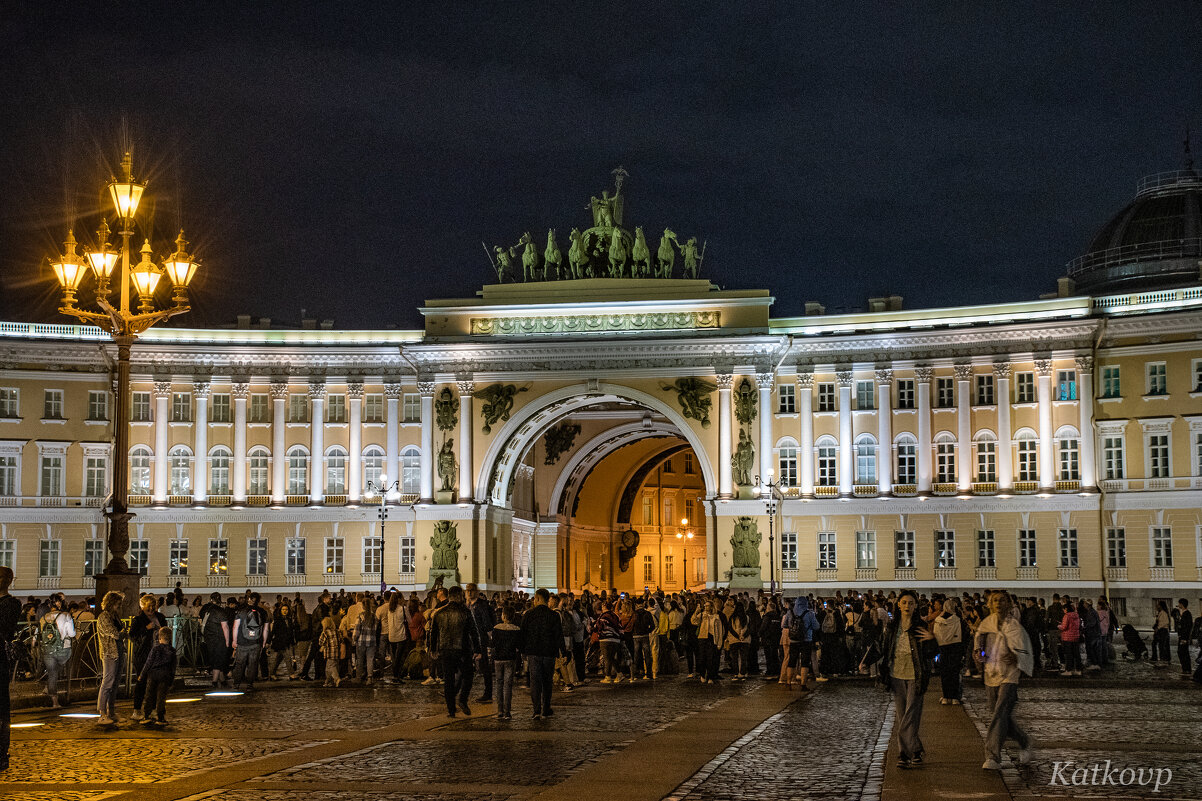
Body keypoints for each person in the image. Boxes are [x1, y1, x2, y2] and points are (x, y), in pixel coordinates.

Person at [865, 589, 936, 769]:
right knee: (902, 714)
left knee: (911, 713)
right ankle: (916, 750)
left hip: (916, 675)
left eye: (911, 603)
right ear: (898, 605)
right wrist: (865, 661)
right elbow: (881, 647)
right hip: (896, 674)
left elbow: (931, 654)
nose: (907, 606)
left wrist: (931, 639)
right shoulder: (892, 627)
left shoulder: (920, 626)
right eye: (904, 602)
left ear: (915, 606)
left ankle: (904, 753)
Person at [976, 591, 1034, 770]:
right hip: (991, 672)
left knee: (1000, 712)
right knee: (1000, 715)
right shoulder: (986, 624)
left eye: (1002, 600)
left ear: (1009, 604)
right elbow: (978, 644)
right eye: (994, 601)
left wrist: (1015, 656)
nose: (998, 603)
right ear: (989, 604)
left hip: (1009, 675)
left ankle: (992, 755)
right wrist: (979, 654)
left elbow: (1023, 648)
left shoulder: (1014, 626)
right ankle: (1024, 741)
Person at [428, 585, 480, 718]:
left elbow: (433, 633)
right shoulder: (465, 612)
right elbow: (474, 632)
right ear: (459, 596)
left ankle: (451, 710)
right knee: (468, 675)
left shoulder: (439, 613)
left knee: (449, 680)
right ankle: (462, 699)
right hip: (462, 649)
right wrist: (477, 649)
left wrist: (433, 648)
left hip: (445, 650)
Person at [521, 587, 565, 720]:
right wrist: (563, 651)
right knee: (547, 682)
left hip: (533, 652)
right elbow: (559, 635)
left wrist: (522, 651)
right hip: (549, 653)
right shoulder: (553, 615)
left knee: (535, 682)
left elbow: (523, 633)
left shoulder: (529, 614)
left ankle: (536, 710)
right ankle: (546, 708)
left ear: (539, 598)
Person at [130, 594, 167, 721]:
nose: (151, 609)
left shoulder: (160, 617)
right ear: (142, 607)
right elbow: (132, 637)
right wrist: (146, 629)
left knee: (156, 683)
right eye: (148, 606)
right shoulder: (138, 620)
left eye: (153, 606)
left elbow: (166, 632)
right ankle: (137, 710)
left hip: (158, 654)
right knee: (142, 682)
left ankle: (152, 710)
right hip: (143, 655)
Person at [0, 566, 20, 770]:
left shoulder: (11, 604)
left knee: (2, 711)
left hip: (0, 661)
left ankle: (1, 753)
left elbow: (4, 629)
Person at [39, 596, 76, 708]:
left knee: (52, 673)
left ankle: (54, 700)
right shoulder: (66, 615)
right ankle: (54, 691)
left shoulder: (43, 618)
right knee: (57, 669)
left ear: (49, 605)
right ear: (60, 604)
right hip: (63, 648)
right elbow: (72, 634)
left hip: (48, 649)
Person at [94, 590, 124, 726]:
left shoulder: (114, 616)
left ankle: (111, 711)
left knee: (115, 682)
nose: (119, 606)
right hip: (109, 652)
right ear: (111, 603)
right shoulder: (103, 617)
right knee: (108, 682)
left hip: (118, 650)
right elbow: (113, 633)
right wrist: (121, 633)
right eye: (118, 604)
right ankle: (102, 713)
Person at [138, 627, 178, 726]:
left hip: (153, 674)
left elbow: (148, 663)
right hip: (165, 675)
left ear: (159, 638)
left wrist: (142, 675)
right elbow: (173, 667)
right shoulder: (172, 651)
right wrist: (171, 680)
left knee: (149, 695)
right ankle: (160, 717)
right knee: (161, 697)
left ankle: (146, 715)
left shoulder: (155, 649)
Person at [231, 593, 269, 691]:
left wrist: (234, 640)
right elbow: (266, 629)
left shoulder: (241, 611)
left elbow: (235, 627)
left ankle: (236, 684)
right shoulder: (263, 612)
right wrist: (264, 641)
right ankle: (250, 685)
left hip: (242, 641)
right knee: (253, 664)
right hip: (256, 642)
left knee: (239, 664)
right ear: (258, 600)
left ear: (248, 599)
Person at [933, 597, 967, 705]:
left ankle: (946, 696)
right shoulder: (957, 620)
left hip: (943, 648)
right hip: (955, 647)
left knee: (945, 673)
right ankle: (954, 697)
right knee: (954, 672)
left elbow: (935, 634)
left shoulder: (938, 620)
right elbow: (963, 635)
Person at [466, 584, 495, 702]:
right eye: (468, 590)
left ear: (476, 592)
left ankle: (488, 693)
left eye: (472, 590)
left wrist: (489, 639)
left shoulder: (482, 605)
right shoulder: (468, 606)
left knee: (484, 667)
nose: (469, 592)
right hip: (470, 640)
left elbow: (487, 622)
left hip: (481, 639)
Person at [492, 605, 521, 720]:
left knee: (499, 683)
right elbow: (518, 645)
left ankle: (499, 710)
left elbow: (493, 644)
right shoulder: (516, 629)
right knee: (508, 685)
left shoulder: (496, 628)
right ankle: (507, 711)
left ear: (503, 615)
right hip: (510, 658)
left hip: (498, 659)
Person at [199, 592, 232, 686]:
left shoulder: (206, 609)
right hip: (219, 637)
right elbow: (225, 627)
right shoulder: (221, 611)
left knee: (214, 658)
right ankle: (214, 681)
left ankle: (222, 680)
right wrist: (227, 641)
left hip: (208, 637)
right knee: (219, 659)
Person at [352, 602, 380, 685]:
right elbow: (376, 629)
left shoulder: (360, 616)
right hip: (372, 641)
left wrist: (354, 639)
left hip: (361, 641)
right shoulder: (374, 616)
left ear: (363, 606)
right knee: (370, 660)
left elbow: (357, 630)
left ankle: (358, 678)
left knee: (360, 660)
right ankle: (369, 678)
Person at [1176, 599, 1193, 676]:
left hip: (1184, 637)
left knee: (1183, 652)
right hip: (1182, 636)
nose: (1178, 605)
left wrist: (1184, 638)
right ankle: (1185, 668)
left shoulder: (1187, 614)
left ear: (1182, 604)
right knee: (1181, 652)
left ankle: (1187, 669)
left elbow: (1187, 627)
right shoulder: (1182, 613)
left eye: (1179, 603)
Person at [1151, 600, 1171, 666]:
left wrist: (1158, 628)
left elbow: (1165, 622)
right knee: (1156, 644)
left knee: (1162, 646)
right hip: (1161, 630)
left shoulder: (1163, 613)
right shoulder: (1160, 613)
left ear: (1161, 606)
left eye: (1158, 605)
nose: (1157, 606)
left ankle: (1163, 659)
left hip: (1163, 631)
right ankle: (1156, 657)